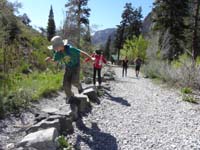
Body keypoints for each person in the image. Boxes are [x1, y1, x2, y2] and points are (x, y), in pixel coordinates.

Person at [45, 36, 93, 103]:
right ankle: (70, 96)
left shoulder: (70, 49)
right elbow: (55, 61)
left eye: (56, 47)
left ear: (61, 45)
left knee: (74, 81)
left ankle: (80, 88)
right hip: (68, 68)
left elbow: (81, 52)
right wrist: (50, 60)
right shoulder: (58, 53)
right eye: (54, 48)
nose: (55, 49)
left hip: (76, 66)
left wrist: (90, 58)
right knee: (65, 84)